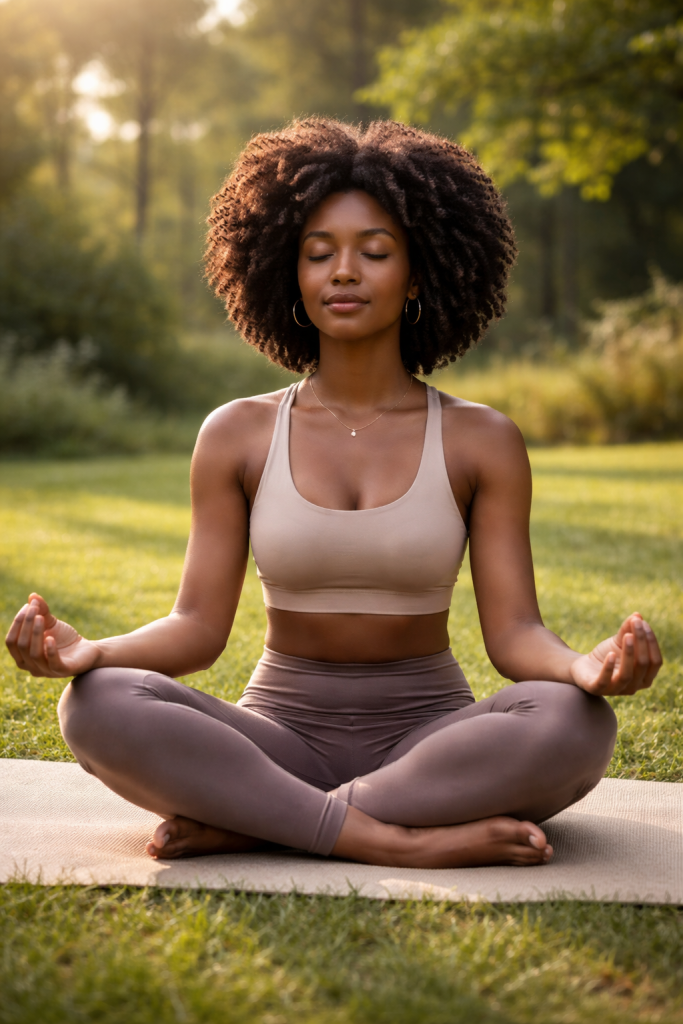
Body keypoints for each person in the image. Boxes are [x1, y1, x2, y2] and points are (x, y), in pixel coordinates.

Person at [5, 120, 662, 870]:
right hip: (275, 736)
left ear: (417, 274)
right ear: (290, 274)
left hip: (429, 741)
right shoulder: (236, 434)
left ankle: (256, 821)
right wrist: (92, 652)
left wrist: (585, 668)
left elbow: (514, 636)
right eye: (318, 254)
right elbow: (196, 626)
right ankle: (390, 837)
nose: (342, 272)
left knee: (574, 723)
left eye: (374, 252)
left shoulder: (481, 439)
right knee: (97, 703)